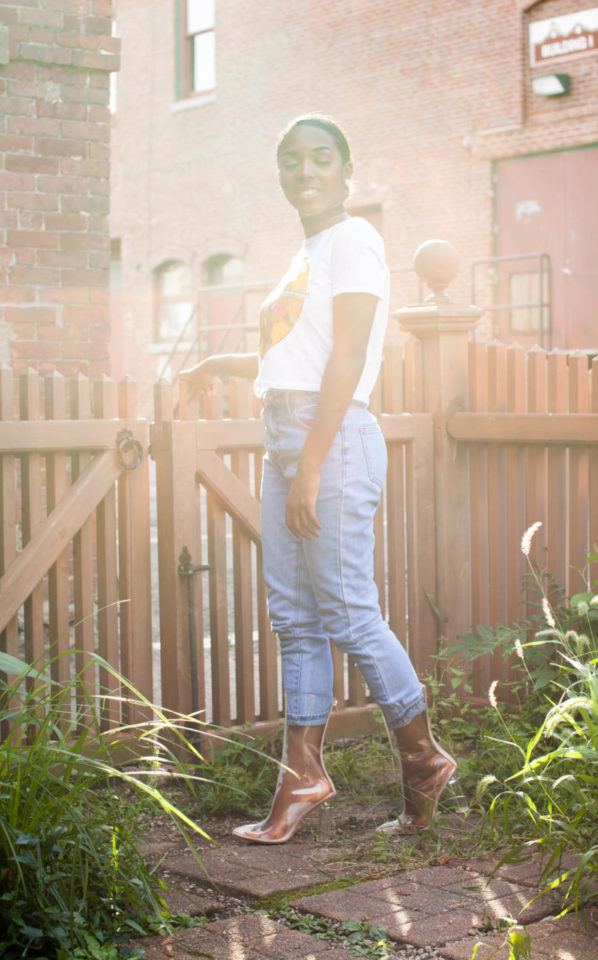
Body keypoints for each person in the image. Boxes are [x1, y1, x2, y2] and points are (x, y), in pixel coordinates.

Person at [178, 115, 456, 844]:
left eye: (320, 158)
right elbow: (294, 361)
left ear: (345, 170)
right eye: (291, 159)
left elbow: (348, 360)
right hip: (290, 435)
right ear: (281, 175)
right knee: (294, 616)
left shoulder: (356, 240)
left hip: (326, 442)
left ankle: (423, 758)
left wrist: (309, 467)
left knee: (348, 612)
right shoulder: (308, 251)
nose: (305, 170)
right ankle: (301, 774)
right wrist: (218, 366)